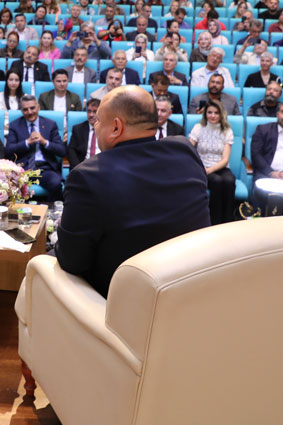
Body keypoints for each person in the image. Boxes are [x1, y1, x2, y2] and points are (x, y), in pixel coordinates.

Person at [56, 85, 210, 297]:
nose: (95, 125)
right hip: (189, 289)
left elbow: (72, 261)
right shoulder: (185, 150)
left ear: (116, 128)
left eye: (98, 120)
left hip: (119, 303)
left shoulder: (88, 175)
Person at [5, 95, 66, 199]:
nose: (29, 112)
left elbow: (62, 151)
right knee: (7, 186)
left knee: (55, 184)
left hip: (45, 169)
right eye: (25, 109)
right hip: (22, 170)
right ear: (21, 110)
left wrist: (44, 141)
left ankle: (53, 213)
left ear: (38, 107)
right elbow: (8, 151)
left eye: (32, 108)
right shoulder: (15, 125)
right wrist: (26, 142)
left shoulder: (50, 124)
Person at [188, 99, 235, 224]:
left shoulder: (227, 131)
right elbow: (188, 148)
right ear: (205, 114)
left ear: (221, 114)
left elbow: (225, 160)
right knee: (217, 181)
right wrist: (202, 169)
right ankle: (214, 221)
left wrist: (210, 170)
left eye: (216, 113)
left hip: (220, 167)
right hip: (202, 166)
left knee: (230, 181)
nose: (213, 116)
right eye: (209, 112)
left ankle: (228, 221)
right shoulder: (198, 128)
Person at [67, 98, 102, 167]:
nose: (91, 115)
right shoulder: (78, 129)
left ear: (101, 112)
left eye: (95, 112)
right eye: (89, 111)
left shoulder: (107, 129)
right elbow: (71, 150)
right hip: (83, 168)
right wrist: (78, 168)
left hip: (102, 167)